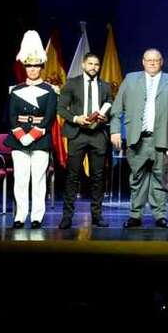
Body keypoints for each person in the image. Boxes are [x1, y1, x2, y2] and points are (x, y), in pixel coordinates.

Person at [110, 49, 168, 229]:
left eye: (156, 60)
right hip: (137, 139)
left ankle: (160, 215)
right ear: (142, 62)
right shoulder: (130, 79)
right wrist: (115, 130)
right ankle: (135, 215)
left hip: (162, 139)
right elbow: (116, 109)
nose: (152, 63)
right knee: (136, 179)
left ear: (162, 62)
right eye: (149, 60)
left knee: (161, 179)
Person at [5, 30, 58, 229]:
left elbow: (50, 117)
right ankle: (20, 216)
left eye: (36, 66)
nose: (33, 69)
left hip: (40, 139)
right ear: (25, 67)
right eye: (29, 66)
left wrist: (34, 134)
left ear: (41, 68)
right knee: (20, 180)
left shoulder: (50, 90)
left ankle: (37, 216)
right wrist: (21, 136)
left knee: (38, 180)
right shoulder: (16, 90)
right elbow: (11, 116)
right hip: (19, 140)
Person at [57, 53, 112, 229]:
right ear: (83, 64)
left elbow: (110, 104)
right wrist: (75, 119)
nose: (94, 67)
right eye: (90, 63)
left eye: (97, 64)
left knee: (98, 177)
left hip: (98, 135)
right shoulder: (72, 83)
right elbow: (60, 108)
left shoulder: (105, 85)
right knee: (72, 176)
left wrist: (105, 116)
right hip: (77, 134)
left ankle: (97, 216)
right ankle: (67, 216)